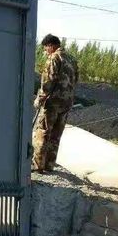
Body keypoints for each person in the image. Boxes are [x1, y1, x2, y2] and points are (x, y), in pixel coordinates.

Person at [32, 34, 79, 173]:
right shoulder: (72, 59)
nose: (46, 52)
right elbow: (76, 80)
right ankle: (49, 164)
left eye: (46, 48)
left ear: (51, 46)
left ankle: (38, 165)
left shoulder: (54, 57)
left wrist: (40, 98)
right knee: (56, 135)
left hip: (52, 102)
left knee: (43, 132)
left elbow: (48, 80)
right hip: (66, 103)